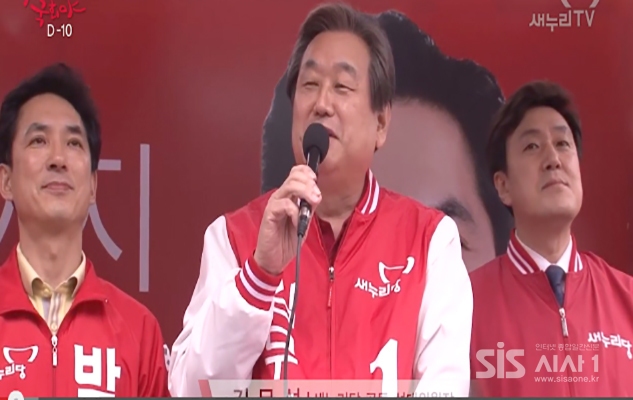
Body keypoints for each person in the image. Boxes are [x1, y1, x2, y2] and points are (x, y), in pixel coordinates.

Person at [170, 3, 473, 397]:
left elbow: (444, 387)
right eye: (310, 85)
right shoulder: (234, 237)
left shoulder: (430, 241)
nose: (322, 104)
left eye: (342, 87)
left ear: (381, 123)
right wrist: (259, 276)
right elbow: (191, 389)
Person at [261, 10, 512, 272]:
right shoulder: (240, 243)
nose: (403, 268)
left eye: (453, 241)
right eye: (361, 229)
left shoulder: (442, 275)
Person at [0, 63, 169, 397]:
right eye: (38, 140)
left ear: (93, 186)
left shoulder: (139, 330)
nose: (58, 159)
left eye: (74, 143)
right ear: (6, 181)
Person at [469, 81, 633, 397]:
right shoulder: (464, 305)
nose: (553, 159)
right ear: (503, 186)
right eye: (532, 146)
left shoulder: (627, 299)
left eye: (562, 144)